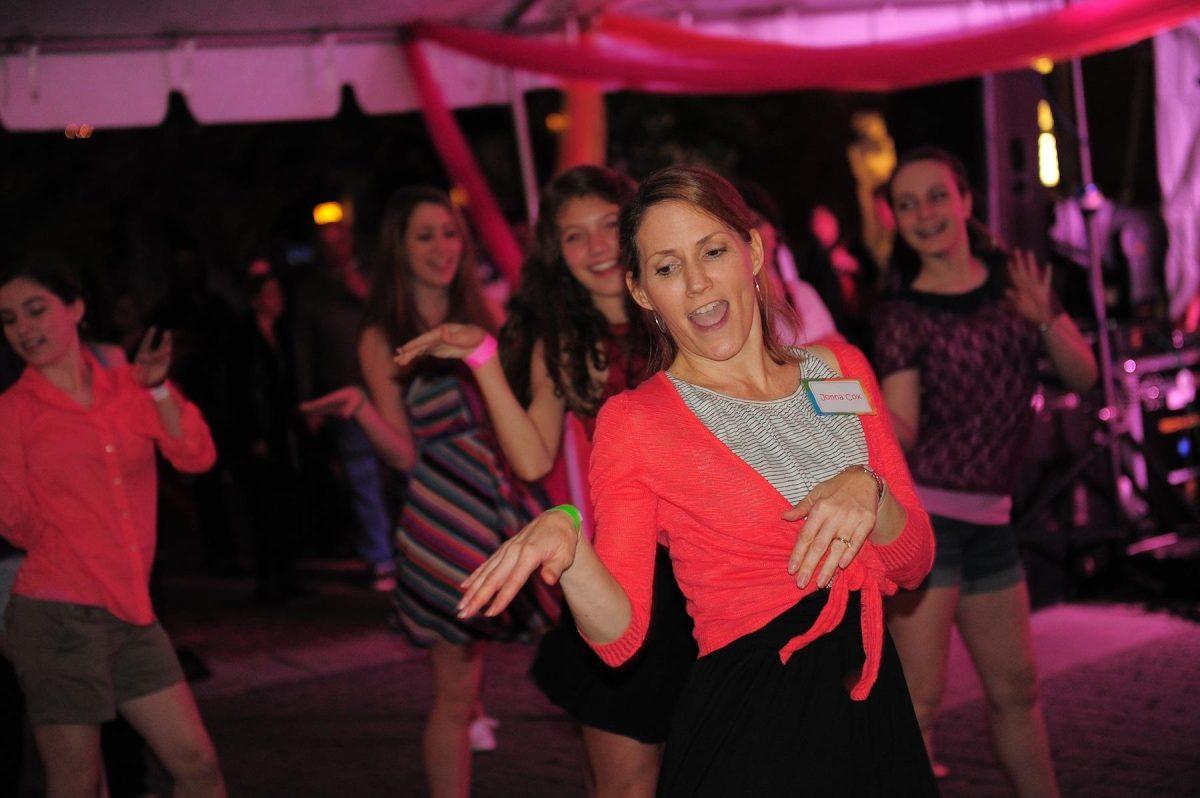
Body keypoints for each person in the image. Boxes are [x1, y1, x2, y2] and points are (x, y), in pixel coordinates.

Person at [458, 166, 937, 796]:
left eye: (713, 251)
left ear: (754, 252)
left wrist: (868, 490)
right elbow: (621, 639)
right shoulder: (636, 422)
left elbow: (914, 562)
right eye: (666, 267)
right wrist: (569, 548)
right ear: (641, 291)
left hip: (870, 706)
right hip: (753, 726)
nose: (697, 283)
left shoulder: (839, 371)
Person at [392, 165, 697, 797]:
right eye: (574, 236)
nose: (598, 248)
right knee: (624, 782)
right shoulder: (560, 339)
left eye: (609, 226)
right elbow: (532, 458)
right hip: (628, 571)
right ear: (556, 253)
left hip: (715, 567)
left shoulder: (686, 309)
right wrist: (482, 359)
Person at [300, 187, 554, 798]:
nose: (442, 247)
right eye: (424, 235)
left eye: (449, 232)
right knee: (455, 691)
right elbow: (405, 455)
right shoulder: (382, 334)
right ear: (399, 247)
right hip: (445, 514)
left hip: (503, 499)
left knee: (558, 642)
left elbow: (522, 412)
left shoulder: (486, 312)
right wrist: (361, 408)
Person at [873, 147, 1098, 797]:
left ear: (966, 201)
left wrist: (1046, 320)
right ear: (897, 221)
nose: (926, 213)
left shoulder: (1015, 283)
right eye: (909, 204)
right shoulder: (902, 313)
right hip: (931, 521)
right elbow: (906, 426)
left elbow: (1084, 376)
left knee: (1018, 693)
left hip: (994, 521)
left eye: (937, 196)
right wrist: (862, 417)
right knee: (918, 703)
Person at [0, 256, 226, 798]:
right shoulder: (12, 412)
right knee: (76, 782)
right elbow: (14, 521)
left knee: (196, 764)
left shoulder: (129, 385)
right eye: (9, 319)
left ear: (76, 309)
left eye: (36, 310)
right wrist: (82, 534)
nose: (25, 329)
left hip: (130, 613)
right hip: (58, 617)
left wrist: (157, 390)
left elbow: (196, 455)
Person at [293, 215, 396, 591]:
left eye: (340, 241)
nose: (334, 250)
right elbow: (303, 348)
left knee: (403, 471)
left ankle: (415, 550)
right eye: (326, 244)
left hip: (389, 391)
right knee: (361, 475)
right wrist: (310, 403)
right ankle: (380, 558)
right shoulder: (312, 291)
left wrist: (358, 287)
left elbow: (392, 317)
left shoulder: (374, 276)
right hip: (344, 397)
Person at [228, 262, 304, 602]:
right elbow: (240, 389)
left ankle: (288, 576)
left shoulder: (282, 334)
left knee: (286, 505)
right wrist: (251, 434)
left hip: (282, 432)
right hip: (260, 435)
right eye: (270, 293)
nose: (278, 299)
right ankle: (269, 579)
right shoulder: (243, 337)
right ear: (256, 299)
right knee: (263, 508)